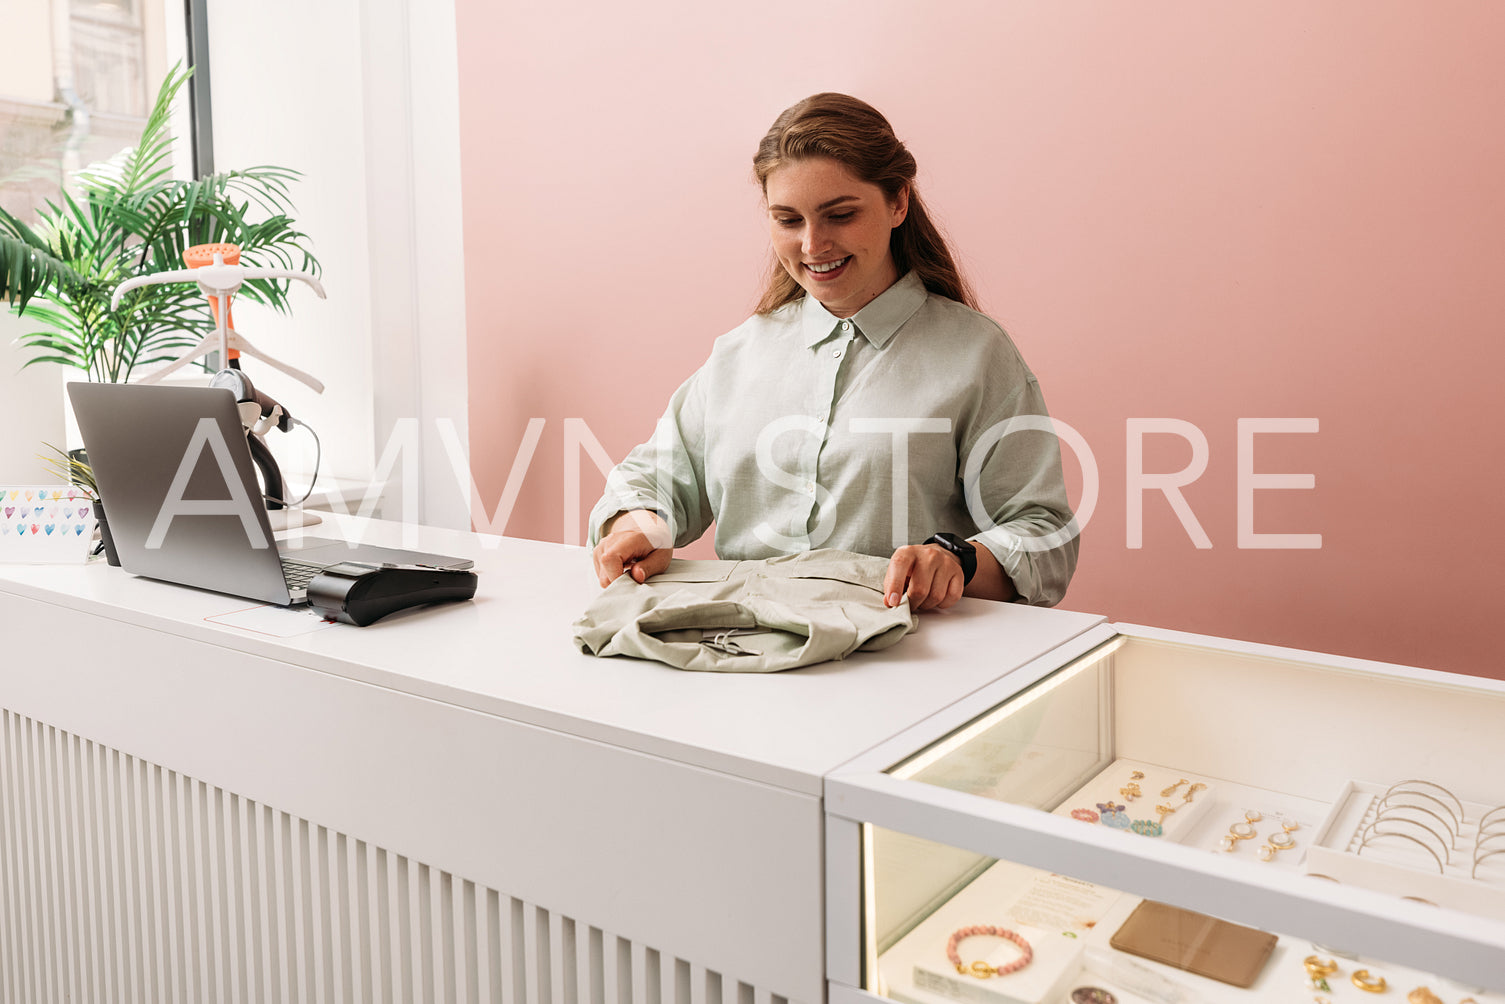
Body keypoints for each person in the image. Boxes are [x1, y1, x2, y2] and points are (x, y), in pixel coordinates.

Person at [589, 93, 1078, 610]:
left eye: (840, 214)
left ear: (898, 202)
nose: (813, 245)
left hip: (910, 664)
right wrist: (638, 526)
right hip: (743, 654)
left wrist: (958, 558)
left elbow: (1045, 536)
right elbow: (651, 480)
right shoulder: (739, 352)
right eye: (788, 220)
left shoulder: (976, 354)